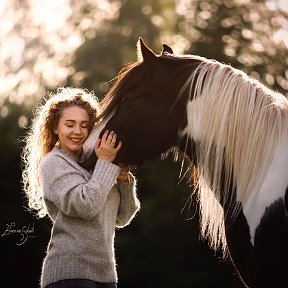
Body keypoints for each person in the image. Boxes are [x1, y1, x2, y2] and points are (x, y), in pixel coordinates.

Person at [21, 87, 140, 288]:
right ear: (55, 128)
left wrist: (123, 180)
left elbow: (122, 217)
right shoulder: (53, 163)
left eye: (85, 126)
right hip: (70, 274)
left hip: (106, 275)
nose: (78, 132)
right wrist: (105, 163)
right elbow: (84, 206)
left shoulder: (97, 165)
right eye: (70, 124)